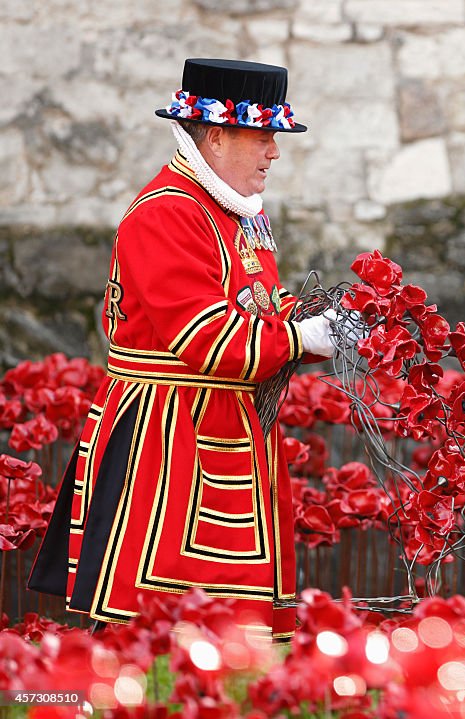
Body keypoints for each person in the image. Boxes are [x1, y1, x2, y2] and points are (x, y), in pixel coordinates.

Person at [28, 58, 338, 640]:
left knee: (234, 632)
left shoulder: (236, 210)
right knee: (161, 630)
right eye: (263, 136)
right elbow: (206, 339)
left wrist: (320, 321)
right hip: (168, 440)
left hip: (228, 428)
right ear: (217, 135)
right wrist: (301, 337)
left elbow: (257, 309)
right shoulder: (166, 212)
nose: (274, 153)